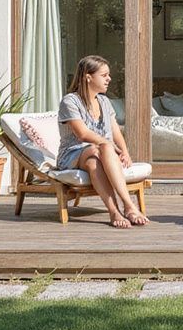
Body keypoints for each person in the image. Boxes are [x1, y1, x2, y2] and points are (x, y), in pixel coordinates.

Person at [57, 54, 149, 229]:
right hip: (72, 154)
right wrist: (109, 145)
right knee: (102, 146)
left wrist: (125, 152)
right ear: (88, 77)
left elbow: (115, 131)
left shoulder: (104, 101)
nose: (109, 79)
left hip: (97, 153)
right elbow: (82, 134)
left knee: (93, 164)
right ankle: (129, 206)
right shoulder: (70, 101)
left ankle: (114, 212)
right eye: (104, 75)